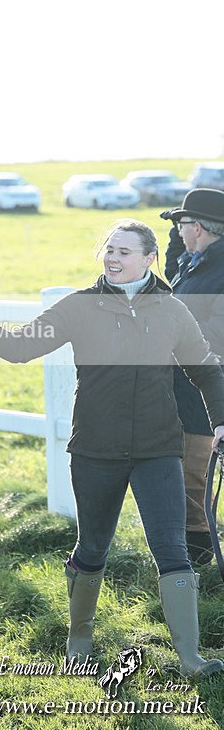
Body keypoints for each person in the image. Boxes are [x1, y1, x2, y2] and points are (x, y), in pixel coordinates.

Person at [0, 219, 224, 677]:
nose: (113, 258)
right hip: (95, 450)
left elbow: (206, 371)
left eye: (123, 251)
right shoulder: (78, 307)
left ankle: (191, 659)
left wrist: (221, 420)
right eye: (109, 250)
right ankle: (79, 642)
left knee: (172, 549)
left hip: (159, 448)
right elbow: (20, 348)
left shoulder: (173, 310)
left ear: (149, 258)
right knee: (92, 548)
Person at [163, 189, 224, 565]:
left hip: (208, 393)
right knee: (186, 481)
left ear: (198, 227)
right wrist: (175, 229)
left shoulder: (217, 268)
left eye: (184, 225)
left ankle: (199, 566)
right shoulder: (197, 262)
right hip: (187, 392)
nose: (180, 231)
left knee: (195, 484)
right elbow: (175, 278)